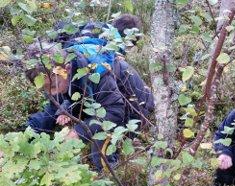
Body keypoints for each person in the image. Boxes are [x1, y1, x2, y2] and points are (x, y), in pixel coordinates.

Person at [25, 43, 154, 171]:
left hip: (134, 108)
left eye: (53, 86)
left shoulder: (97, 73)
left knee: (99, 155)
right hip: (101, 104)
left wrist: (78, 132)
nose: (51, 93)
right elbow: (50, 111)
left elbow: (114, 112)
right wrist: (24, 136)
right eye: (44, 89)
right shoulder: (59, 75)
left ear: (67, 69)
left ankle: (116, 183)